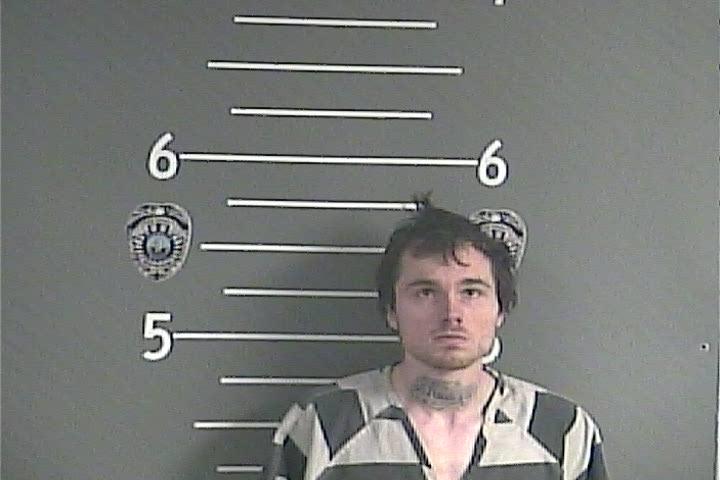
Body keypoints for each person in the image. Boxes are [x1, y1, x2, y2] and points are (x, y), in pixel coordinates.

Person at [264, 203, 608, 480]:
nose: (451, 313)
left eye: (471, 292)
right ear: (391, 311)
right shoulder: (321, 425)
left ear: (500, 310)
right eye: (426, 292)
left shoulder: (561, 431)